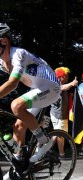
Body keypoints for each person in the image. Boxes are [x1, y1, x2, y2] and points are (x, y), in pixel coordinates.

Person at [0, 23, 60, 163]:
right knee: (18, 126)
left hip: (51, 86)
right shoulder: (2, 62)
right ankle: (19, 160)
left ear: (4, 41)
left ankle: (44, 141)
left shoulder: (18, 54)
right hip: (37, 89)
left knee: (16, 105)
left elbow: (13, 83)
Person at [51, 67, 78, 158]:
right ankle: (61, 154)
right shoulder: (56, 85)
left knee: (57, 133)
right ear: (60, 77)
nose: (67, 77)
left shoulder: (61, 84)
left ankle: (44, 151)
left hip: (59, 114)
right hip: (59, 115)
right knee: (61, 135)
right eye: (65, 76)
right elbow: (62, 88)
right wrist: (72, 83)